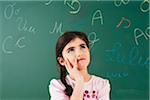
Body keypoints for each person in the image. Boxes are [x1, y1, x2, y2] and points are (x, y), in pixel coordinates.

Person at [49, 31, 111, 100]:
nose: (79, 53)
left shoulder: (102, 84)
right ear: (62, 61)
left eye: (82, 46)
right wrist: (79, 81)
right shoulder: (57, 86)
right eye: (71, 50)